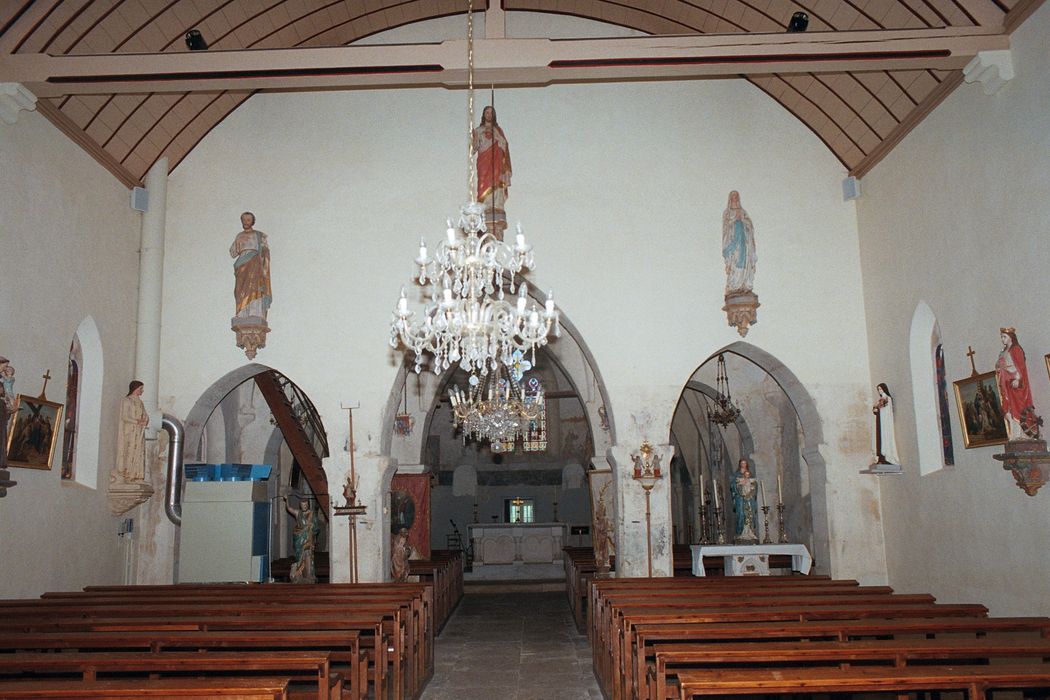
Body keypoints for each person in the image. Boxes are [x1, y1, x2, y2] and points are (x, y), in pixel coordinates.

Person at [472, 106, 512, 238]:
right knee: (483, 184)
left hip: (496, 167)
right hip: (484, 164)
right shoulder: (479, 130)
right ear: (484, 115)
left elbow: (504, 146)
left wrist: (496, 136)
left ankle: (496, 205)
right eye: (487, 113)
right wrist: (475, 137)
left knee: (496, 188)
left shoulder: (498, 131)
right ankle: (485, 206)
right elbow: (472, 149)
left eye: (491, 113)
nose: (489, 115)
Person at [996, 327, 1042, 440]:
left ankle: (1024, 434)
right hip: (1007, 384)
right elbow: (999, 366)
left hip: (1016, 385)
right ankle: (1014, 435)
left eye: (1004, 337)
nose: (1002, 339)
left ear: (1011, 337)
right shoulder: (1003, 352)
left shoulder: (1016, 349)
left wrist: (1018, 379)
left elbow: (1021, 367)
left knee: (1019, 408)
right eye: (1001, 337)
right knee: (1009, 410)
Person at [230, 211, 272, 323]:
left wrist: (263, 251)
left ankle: (255, 312)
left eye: (248, 220)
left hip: (255, 265)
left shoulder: (259, 235)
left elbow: (265, 251)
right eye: (243, 220)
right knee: (241, 289)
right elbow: (233, 253)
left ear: (252, 221)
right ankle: (242, 312)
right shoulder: (239, 236)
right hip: (241, 266)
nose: (245, 222)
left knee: (255, 286)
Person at [113, 380, 148, 483]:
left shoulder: (140, 402)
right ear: (135, 389)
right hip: (130, 431)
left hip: (138, 432)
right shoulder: (127, 400)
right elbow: (125, 416)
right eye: (141, 389)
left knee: (139, 452)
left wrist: (145, 419)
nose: (142, 391)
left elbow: (145, 414)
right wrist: (137, 421)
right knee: (130, 450)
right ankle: (128, 473)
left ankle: (137, 474)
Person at [721, 190, 756, 294]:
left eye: (736, 196)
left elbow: (750, 225)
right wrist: (734, 220)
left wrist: (744, 221)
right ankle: (734, 285)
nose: (735, 198)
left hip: (743, 242)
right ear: (730, 199)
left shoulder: (743, 212)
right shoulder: (727, 213)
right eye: (733, 197)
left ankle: (743, 283)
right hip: (733, 240)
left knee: (743, 260)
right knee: (734, 261)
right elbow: (725, 228)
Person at [285, 496, 321, 583]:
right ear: (300, 506)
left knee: (308, 555)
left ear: (308, 505)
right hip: (299, 539)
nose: (304, 506)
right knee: (299, 556)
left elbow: (316, 527)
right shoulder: (298, 513)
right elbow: (289, 508)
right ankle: (298, 574)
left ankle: (309, 575)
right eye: (302, 505)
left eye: (305, 505)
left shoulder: (312, 514)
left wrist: (312, 527)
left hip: (308, 539)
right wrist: (286, 500)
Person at [728, 458, 758, 542]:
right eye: (742, 463)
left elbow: (755, 485)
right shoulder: (736, 475)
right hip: (740, 498)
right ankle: (740, 533)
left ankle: (750, 532)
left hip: (749, 499)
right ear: (740, 464)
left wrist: (751, 487)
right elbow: (732, 486)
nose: (743, 465)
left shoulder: (750, 475)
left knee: (749, 514)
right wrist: (739, 484)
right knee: (741, 514)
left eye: (745, 463)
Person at [872, 383, 899, 465]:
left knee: (885, 438)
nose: (879, 391)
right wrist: (876, 410)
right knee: (880, 439)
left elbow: (884, 409)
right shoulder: (882, 399)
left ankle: (887, 457)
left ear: (884, 389)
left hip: (885, 423)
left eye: (880, 389)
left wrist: (877, 409)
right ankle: (882, 458)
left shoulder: (887, 398)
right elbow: (877, 408)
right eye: (878, 389)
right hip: (881, 422)